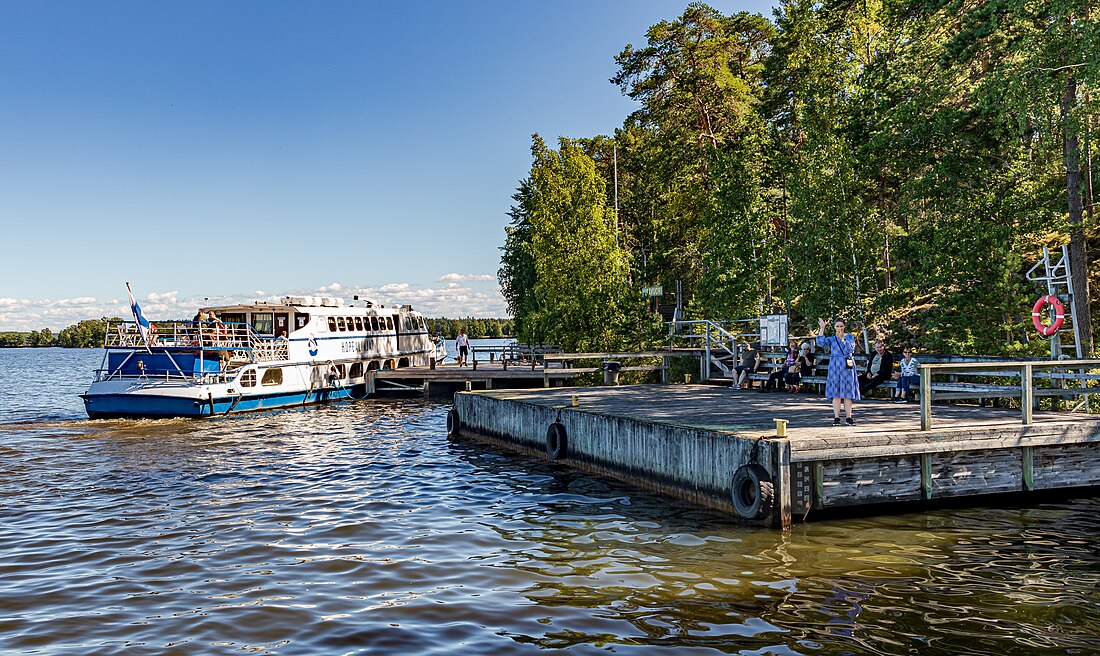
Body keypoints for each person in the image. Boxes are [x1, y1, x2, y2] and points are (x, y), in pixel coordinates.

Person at [816, 317, 860, 425]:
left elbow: (850, 349)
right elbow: (821, 343)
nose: (839, 328)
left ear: (844, 326)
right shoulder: (832, 338)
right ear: (834, 327)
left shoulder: (849, 337)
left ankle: (849, 417)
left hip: (846, 365)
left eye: (841, 326)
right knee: (836, 392)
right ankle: (836, 417)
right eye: (837, 326)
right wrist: (822, 328)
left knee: (847, 392)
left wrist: (843, 340)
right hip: (835, 366)